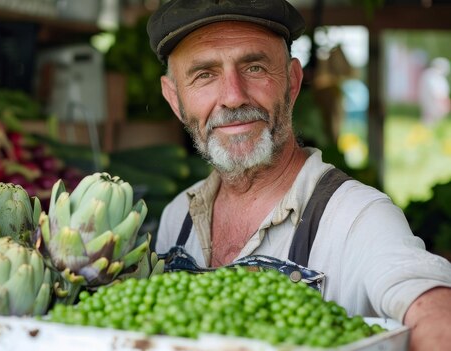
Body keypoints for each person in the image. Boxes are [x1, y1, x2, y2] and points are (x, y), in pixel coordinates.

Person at [146, 1, 451, 350]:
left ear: (292, 81)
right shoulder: (177, 217)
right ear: (174, 99)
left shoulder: (357, 217)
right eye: (204, 75)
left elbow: (434, 311)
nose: (233, 96)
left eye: (255, 67)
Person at [418, 56, 450, 126]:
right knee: (430, 119)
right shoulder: (431, 75)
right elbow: (435, 90)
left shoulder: (438, 76)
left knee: (436, 120)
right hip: (433, 101)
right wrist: (442, 100)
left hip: (436, 101)